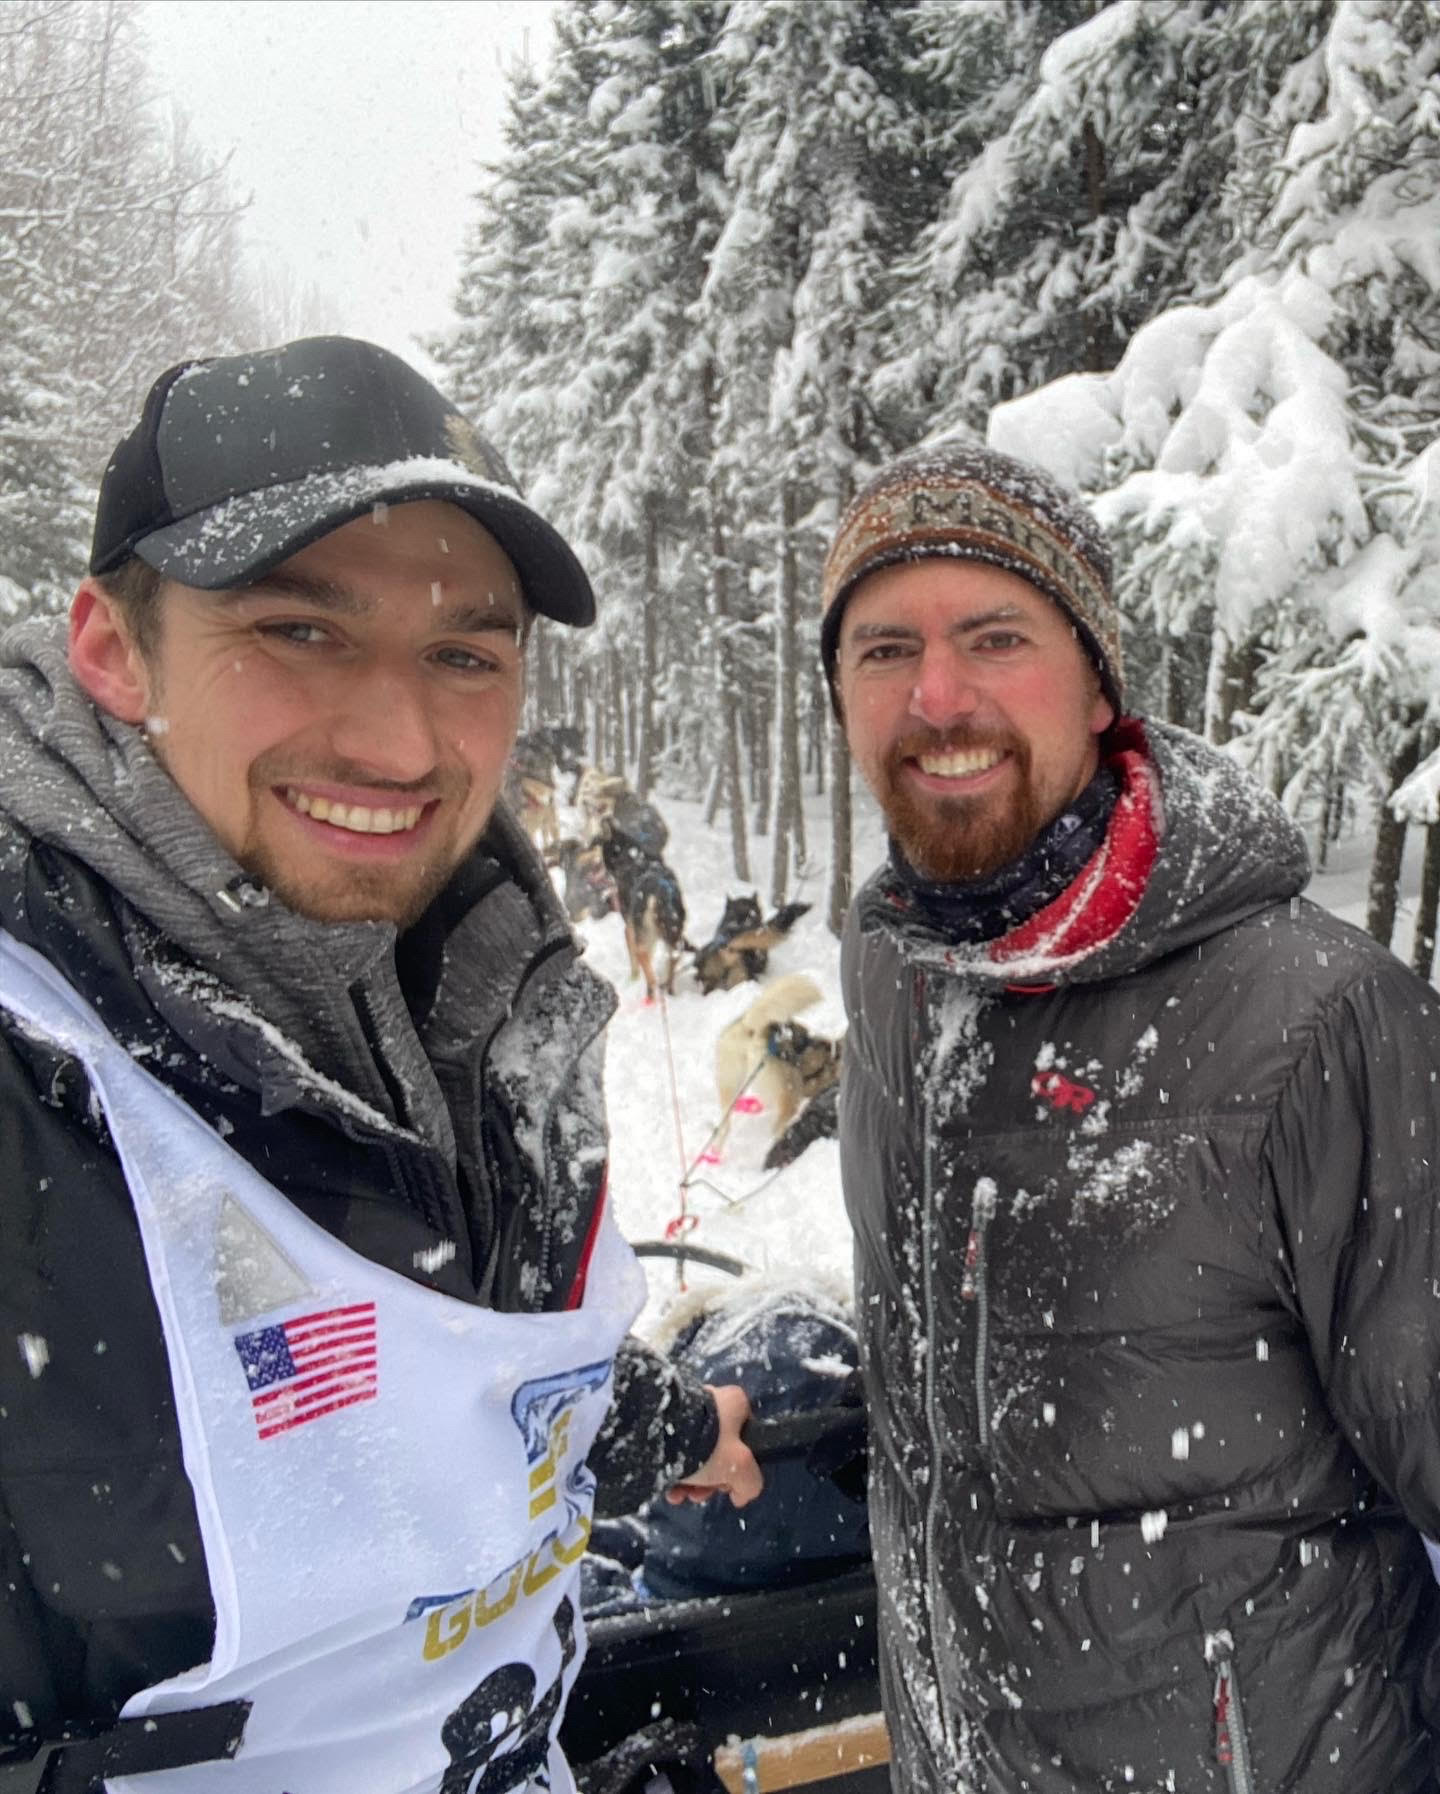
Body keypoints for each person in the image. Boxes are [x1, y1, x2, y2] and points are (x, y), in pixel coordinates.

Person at [0, 335, 760, 1794]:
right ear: (111, 645)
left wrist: (670, 1426)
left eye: (463, 652)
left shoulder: (485, 994)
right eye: (301, 630)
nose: (403, 738)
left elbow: (468, 1367)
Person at [821, 441, 1440, 1793]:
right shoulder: (892, 977)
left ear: (1099, 682)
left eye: (995, 636)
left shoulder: (1319, 1020)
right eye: (882, 650)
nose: (937, 695)